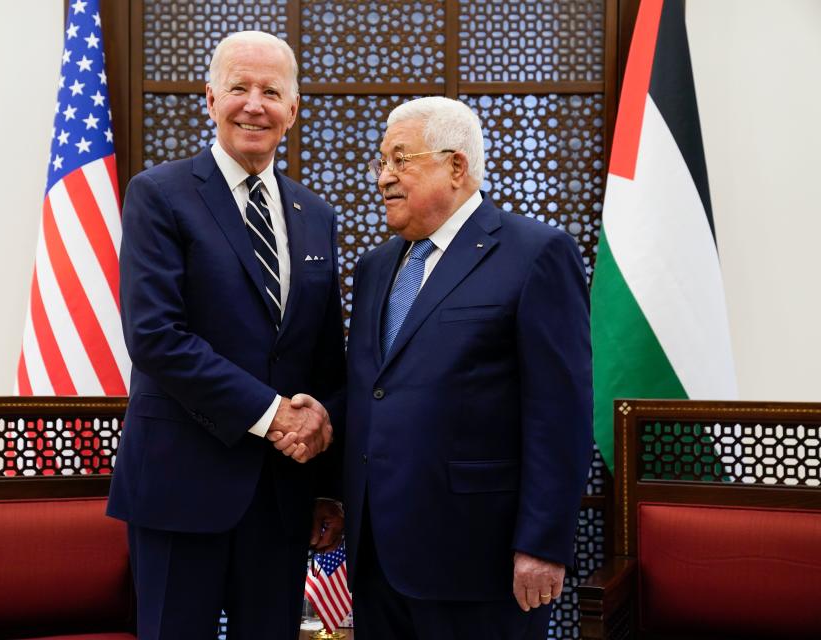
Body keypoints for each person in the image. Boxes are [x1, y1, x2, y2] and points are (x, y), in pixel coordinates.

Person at [106, 31, 345, 640]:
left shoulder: (315, 215)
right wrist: (273, 415)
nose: (254, 104)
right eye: (238, 88)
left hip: (283, 495)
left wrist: (327, 479)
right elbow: (156, 336)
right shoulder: (159, 194)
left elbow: (324, 356)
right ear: (209, 101)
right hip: (180, 485)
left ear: (294, 109)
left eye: (272, 91)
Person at [341, 96, 593, 639]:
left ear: (457, 166)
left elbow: (561, 413)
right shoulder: (375, 267)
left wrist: (542, 544)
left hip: (480, 560)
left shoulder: (537, 254)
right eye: (381, 161)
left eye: (401, 159)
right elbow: (373, 392)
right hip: (377, 558)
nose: (384, 176)